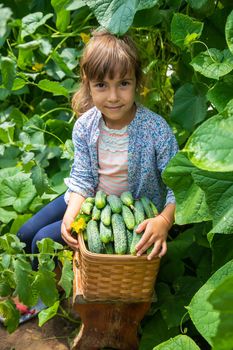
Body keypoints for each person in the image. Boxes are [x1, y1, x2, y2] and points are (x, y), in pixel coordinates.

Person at [17, 29, 178, 265]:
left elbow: (179, 185)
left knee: (43, 240)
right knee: (25, 235)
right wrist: (72, 212)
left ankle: (44, 299)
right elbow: (82, 178)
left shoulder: (156, 129)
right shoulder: (86, 126)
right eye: (102, 85)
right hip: (88, 197)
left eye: (123, 83)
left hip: (125, 213)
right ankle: (37, 286)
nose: (113, 96)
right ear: (88, 84)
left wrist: (164, 221)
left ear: (137, 81)